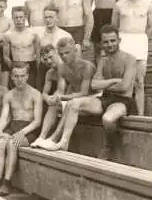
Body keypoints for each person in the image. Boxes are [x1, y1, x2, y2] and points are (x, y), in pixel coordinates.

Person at [39, 25, 137, 159]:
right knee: (74, 103)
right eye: (106, 42)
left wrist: (104, 85)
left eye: (113, 41)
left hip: (123, 100)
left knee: (108, 119)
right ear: (101, 43)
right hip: (104, 99)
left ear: (119, 40)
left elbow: (124, 87)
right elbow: (95, 84)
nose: (109, 45)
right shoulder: (103, 60)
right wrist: (112, 81)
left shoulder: (130, 59)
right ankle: (63, 142)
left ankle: (109, 145)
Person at [31, 37, 96, 148]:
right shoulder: (61, 68)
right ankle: (41, 137)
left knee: (70, 103)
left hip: (93, 99)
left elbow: (84, 92)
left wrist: (62, 97)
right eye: (62, 54)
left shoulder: (87, 66)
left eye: (67, 52)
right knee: (54, 106)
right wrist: (54, 98)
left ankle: (54, 139)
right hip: (76, 99)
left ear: (75, 51)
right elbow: (60, 90)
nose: (64, 56)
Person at [0, 62, 43, 196]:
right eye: (16, 76)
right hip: (13, 125)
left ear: (27, 76)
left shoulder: (35, 94)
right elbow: (4, 117)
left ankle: (7, 182)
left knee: (12, 143)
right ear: (12, 77)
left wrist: (21, 133)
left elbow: (37, 121)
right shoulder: (8, 95)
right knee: (1, 142)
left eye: (22, 76)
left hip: (29, 129)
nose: (19, 79)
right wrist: (0, 132)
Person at [112, 0, 152, 116]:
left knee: (139, 81)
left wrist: (141, 40)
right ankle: (122, 112)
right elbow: (114, 27)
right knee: (123, 80)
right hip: (123, 40)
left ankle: (140, 115)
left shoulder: (148, 4)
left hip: (139, 41)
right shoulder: (119, 5)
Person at [89, 0, 123, 66]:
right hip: (97, 16)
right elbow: (88, 7)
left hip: (111, 15)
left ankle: (114, 69)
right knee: (98, 47)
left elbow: (121, 6)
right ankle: (99, 72)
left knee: (112, 45)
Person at [34, 6, 73, 93]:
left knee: (60, 93)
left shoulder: (65, 35)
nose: (48, 20)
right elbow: (37, 55)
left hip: (61, 68)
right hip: (43, 68)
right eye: (45, 17)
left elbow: (71, 57)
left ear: (57, 18)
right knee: (40, 92)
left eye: (51, 17)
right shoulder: (39, 35)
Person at [3, 6, 41, 88]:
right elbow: (6, 56)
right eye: (16, 17)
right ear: (12, 18)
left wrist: (37, 71)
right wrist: (14, 68)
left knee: (31, 92)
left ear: (25, 18)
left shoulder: (33, 34)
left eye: (21, 17)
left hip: (31, 66)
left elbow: (38, 55)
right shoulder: (8, 35)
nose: (18, 20)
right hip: (16, 65)